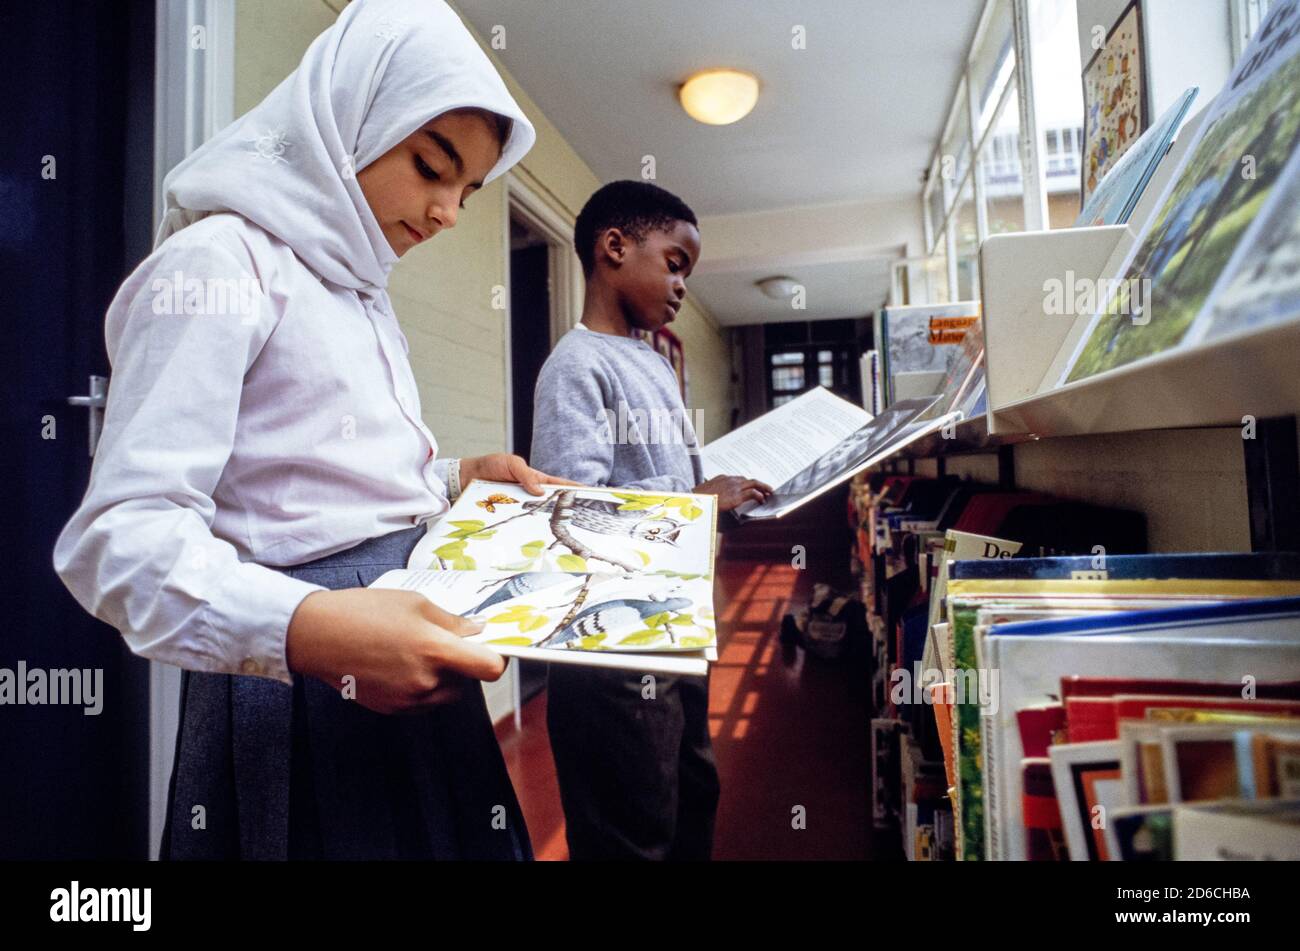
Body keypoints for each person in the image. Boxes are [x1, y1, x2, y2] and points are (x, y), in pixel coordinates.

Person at [52, 0, 568, 860]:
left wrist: (451, 479)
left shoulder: (359, 282)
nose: (446, 212)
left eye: (467, 194)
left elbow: (308, 472)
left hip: (397, 648)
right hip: (301, 681)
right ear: (345, 120)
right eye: (431, 166)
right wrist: (306, 629)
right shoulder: (220, 263)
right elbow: (119, 540)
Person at [529, 180, 772, 860]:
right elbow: (571, 510)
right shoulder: (574, 365)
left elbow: (682, 495)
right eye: (674, 262)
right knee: (632, 831)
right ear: (614, 247)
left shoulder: (656, 364)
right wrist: (698, 499)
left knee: (690, 797)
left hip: (673, 625)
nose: (682, 286)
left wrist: (729, 506)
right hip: (610, 645)